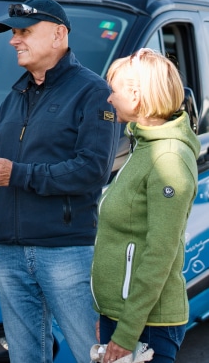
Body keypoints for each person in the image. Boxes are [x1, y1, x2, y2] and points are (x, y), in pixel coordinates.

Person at [0, 0, 119, 363]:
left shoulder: (93, 92)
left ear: (58, 35)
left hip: (65, 251)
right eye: (13, 33)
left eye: (24, 32)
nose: (14, 40)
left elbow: (92, 170)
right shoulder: (18, 92)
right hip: (9, 250)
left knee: (94, 354)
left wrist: (16, 173)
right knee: (25, 358)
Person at [91, 48, 200, 363]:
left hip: (147, 326)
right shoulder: (143, 145)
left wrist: (125, 333)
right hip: (123, 316)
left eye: (114, 91)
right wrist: (108, 314)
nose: (109, 98)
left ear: (136, 95)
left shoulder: (168, 159)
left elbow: (159, 255)